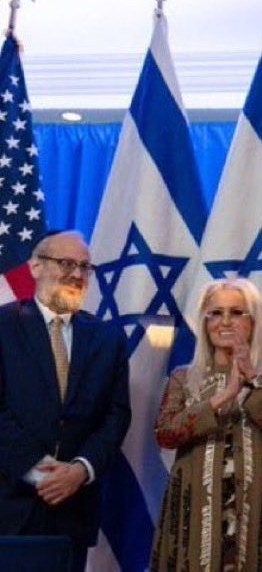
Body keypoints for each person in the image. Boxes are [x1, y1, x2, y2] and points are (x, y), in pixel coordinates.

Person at [0, 230, 131, 571]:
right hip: (10, 506)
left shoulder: (109, 338)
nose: (77, 274)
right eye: (66, 263)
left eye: (85, 267)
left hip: (74, 512)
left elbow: (116, 415)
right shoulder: (4, 326)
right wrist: (42, 472)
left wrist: (80, 470)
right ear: (35, 267)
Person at [151, 278, 262, 571]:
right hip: (195, 509)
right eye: (216, 313)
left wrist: (252, 379)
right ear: (205, 322)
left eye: (236, 312)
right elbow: (166, 434)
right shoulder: (183, 377)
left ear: (253, 321)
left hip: (259, 508)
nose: (226, 321)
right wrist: (224, 396)